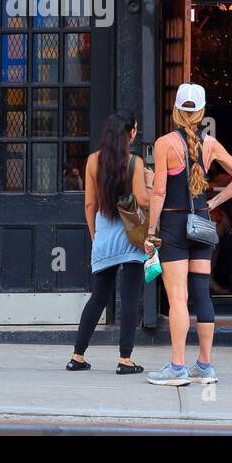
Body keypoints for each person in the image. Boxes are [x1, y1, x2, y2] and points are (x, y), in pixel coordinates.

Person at [144, 84, 232, 386]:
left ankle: (177, 367)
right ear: (201, 113)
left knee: (178, 299)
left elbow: (160, 191)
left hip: (175, 225)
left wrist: (151, 230)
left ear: (176, 111)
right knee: (202, 293)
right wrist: (213, 202)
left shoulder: (166, 143)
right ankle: (204, 366)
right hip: (202, 224)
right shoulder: (211, 144)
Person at [68, 110, 153, 374]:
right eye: (135, 129)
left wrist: (95, 235)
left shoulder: (93, 161)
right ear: (130, 133)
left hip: (104, 237)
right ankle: (124, 360)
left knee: (98, 298)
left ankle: (77, 355)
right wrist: (150, 183)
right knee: (129, 300)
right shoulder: (135, 163)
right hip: (132, 238)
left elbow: (90, 203)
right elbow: (142, 201)